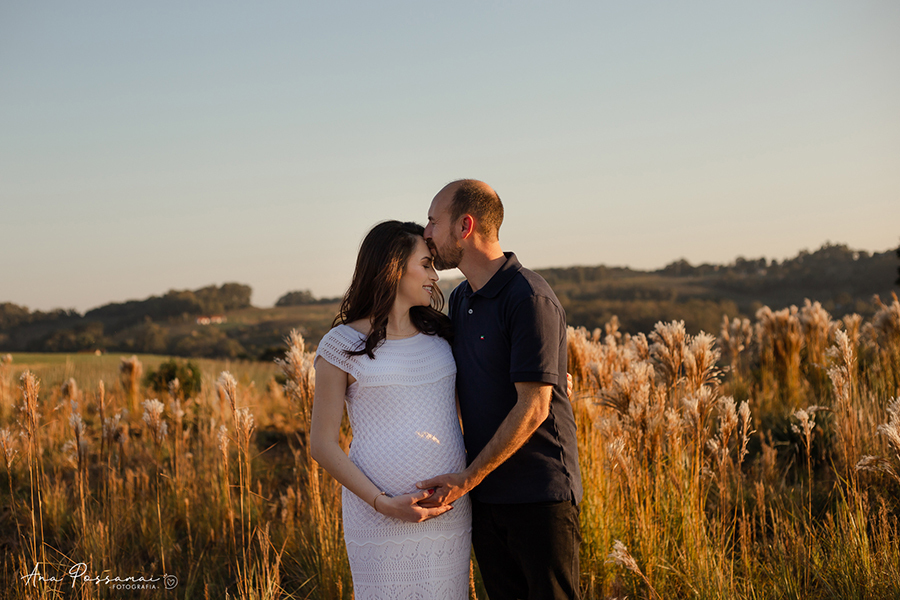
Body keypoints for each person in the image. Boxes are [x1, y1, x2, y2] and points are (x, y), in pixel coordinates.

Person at [418, 179, 583, 600]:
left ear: (464, 226)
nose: (426, 233)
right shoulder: (460, 300)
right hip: (486, 495)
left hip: (538, 494)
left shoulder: (527, 297)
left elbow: (534, 408)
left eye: (434, 221)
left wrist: (466, 479)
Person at [310, 220, 472, 599]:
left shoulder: (443, 336)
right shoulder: (341, 344)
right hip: (376, 515)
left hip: (446, 512)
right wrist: (382, 503)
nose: (435, 276)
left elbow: (478, 400)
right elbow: (322, 445)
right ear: (395, 268)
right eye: (427, 264)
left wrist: (541, 377)